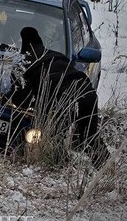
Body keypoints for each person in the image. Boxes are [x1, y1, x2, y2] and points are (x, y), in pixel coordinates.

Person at [8, 26, 110, 168]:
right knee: (89, 137)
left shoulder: (24, 63)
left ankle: (57, 167)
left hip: (64, 98)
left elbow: (20, 100)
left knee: (54, 137)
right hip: (87, 92)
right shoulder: (57, 55)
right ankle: (106, 169)